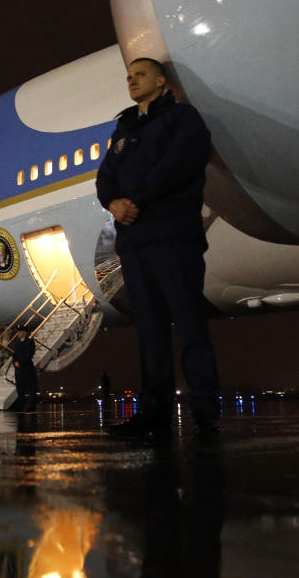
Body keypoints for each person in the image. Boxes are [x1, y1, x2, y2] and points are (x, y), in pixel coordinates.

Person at [95, 57, 220, 436]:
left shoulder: (182, 118)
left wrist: (136, 199)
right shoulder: (124, 126)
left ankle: (204, 411)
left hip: (173, 236)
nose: (132, 81)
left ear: (162, 81)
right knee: (148, 329)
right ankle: (154, 411)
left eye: (141, 75)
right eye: (129, 76)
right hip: (134, 243)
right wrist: (113, 202)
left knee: (189, 323)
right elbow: (105, 178)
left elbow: (182, 163)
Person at [11, 326, 37, 411]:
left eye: (20, 332)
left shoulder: (30, 342)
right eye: (18, 332)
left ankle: (32, 406)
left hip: (27, 368)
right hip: (18, 370)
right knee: (19, 388)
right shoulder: (17, 343)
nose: (18, 333)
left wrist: (20, 362)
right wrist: (15, 362)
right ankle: (21, 404)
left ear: (25, 333)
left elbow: (29, 354)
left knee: (31, 388)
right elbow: (14, 355)